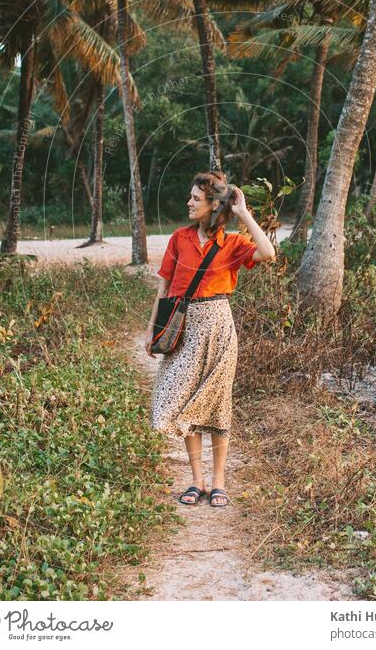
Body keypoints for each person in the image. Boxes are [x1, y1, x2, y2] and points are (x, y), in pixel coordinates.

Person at [145, 170, 276, 507]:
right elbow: (164, 287)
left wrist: (243, 212)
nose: (189, 203)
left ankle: (218, 482)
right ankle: (196, 481)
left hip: (219, 326)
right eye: (190, 197)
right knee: (183, 398)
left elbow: (268, 253)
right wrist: (152, 330)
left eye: (195, 199)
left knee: (217, 407)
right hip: (185, 327)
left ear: (213, 206)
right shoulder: (179, 238)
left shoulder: (232, 244)